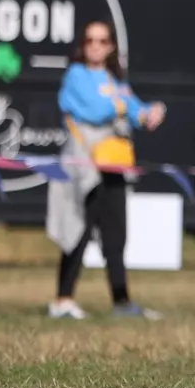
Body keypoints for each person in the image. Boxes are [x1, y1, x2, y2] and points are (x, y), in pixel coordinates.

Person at [47, 20, 166, 319]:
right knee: (78, 230)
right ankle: (62, 299)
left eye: (102, 40)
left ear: (111, 45)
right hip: (85, 166)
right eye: (90, 40)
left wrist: (151, 112)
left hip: (113, 164)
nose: (96, 46)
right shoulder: (76, 75)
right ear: (83, 45)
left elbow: (135, 110)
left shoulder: (116, 80)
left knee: (115, 236)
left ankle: (122, 301)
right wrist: (123, 106)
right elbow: (93, 110)